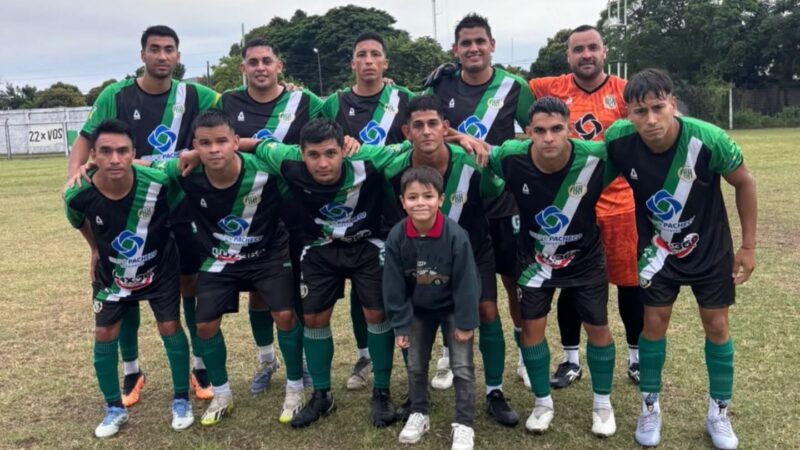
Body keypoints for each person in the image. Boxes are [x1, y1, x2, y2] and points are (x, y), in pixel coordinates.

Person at [67, 25, 221, 404]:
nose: (162, 56)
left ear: (178, 56)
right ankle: (132, 370)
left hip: (180, 206)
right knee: (124, 287)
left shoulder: (196, 95)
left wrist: (287, 88)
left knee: (188, 284)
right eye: (155, 49)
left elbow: (235, 108)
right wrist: (75, 176)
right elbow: (86, 138)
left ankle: (199, 365)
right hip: (128, 208)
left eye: (169, 49)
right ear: (142, 55)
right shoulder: (116, 95)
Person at [604, 68, 757, 449]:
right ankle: (650, 407)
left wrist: (749, 247)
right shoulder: (618, 140)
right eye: (640, 111)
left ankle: (719, 413)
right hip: (658, 252)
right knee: (654, 323)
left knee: (717, 325)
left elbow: (745, 182)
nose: (651, 119)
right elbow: (584, 168)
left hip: (710, 249)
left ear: (673, 104)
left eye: (658, 107)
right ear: (628, 114)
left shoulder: (708, 138)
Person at [232, 118, 402, 429]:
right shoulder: (287, 159)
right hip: (320, 248)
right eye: (313, 155)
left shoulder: (368, 158)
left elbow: (413, 146)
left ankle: (381, 392)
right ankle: (322, 395)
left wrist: (460, 139)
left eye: (330, 153)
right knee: (313, 319)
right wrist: (195, 154)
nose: (323, 163)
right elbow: (253, 144)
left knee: (377, 314)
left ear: (343, 150)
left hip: (367, 244)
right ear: (301, 153)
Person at [422, 13, 535, 426]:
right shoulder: (441, 84)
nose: (473, 49)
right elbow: (422, 124)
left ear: (492, 45)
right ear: (455, 49)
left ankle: (523, 353)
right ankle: (446, 356)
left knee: (511, 285)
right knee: (440, 283)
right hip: (455, 200)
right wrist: (460, 138)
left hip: (500, 202)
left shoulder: (514, 86)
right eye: (465, 43)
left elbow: (536, 131)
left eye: (479, 42)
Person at [160, 111, 305, 426]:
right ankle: (222, 394)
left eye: (222, 141)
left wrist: (256, 145)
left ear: (236, 142)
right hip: (219, 258)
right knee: (205, 326)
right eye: (205, 143)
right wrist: (90, 167)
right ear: (194, 146)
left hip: (267, 254)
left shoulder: (264, 168)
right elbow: (142, 169)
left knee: (284, 315)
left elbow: (301, 157)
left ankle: (295, 388)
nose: (214, 149)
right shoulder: (186, 171)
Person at [488, 97, 617, 436]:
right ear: (528, 132)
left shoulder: (597, 156)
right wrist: (461, 138)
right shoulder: (510, 157)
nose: (548, 138)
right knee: (532, 329)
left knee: (598, 328)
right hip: (535, 260)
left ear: (570, 129)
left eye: (556, 129)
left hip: (585, 257)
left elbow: (634, 149)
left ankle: (602, 405)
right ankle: (542, 403)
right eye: (540, 130)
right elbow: (482, 153)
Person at [529, 24, 642, 389]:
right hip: (573, 204)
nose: (586, 55)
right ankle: (571, 359)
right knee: (571, 283)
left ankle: (636, 357)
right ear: (568, 56)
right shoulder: (551, 87)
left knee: (629, 284)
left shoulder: (624, 91)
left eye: (593, 47)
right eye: (578, 49)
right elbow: (508, 87)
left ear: (605, 51)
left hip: (620, 203)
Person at [64, 119, 193, 437]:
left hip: (160, 268)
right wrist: (95, 248)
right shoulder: (77, 193)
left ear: (134, 153)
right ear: (93, 155)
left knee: (170, 326)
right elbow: (78, 220)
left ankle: (181, 400)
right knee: (104, 332)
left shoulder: (158, 180)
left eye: (123, 151)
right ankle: (114, 408)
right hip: (113, 273)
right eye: (106, 151)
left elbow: (184, 173)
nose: (115, 159)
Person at [382, 95, 502, 421]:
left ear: (445, 127)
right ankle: (416, 397)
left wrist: (471, 144)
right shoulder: (395, 167)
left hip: (471, 250)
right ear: (406, 131)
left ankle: (495, 391)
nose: (426, 131)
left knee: (486, 310)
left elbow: (494, 190)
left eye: (433, 123)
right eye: (418, 125)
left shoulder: (471, 160)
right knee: (415, 315)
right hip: (420, 256)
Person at [220, 38, 324, 394]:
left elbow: (335, 122)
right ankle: (266, 360)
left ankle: (302, 361)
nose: (261, 67)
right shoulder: (227, 102)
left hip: (297, 207)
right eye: (253, 62)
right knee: (259, 292)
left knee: (297, 286)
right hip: (249, 211)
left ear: (279, 65)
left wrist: (386, 82)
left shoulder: (306, 102)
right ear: (243, 68)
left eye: (267, 61)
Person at [320, 32, 416, 389]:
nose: (369, 60)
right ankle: (365, 357)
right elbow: (316, 137)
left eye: (376, 54)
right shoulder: (333, 103)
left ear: (386, 63)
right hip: (354, 209)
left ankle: (415, 364)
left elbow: (428, 129)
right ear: (353, 63)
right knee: (362, 289)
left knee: (404, 288)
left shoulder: (404, 98)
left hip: (397, 205)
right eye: (362, 54)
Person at [384, 166, 480, 450]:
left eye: (428, 196)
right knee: (415, 366)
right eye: (413, 197)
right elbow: (393, 285)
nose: (420, 203)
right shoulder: (397, 236)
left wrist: (465, 322)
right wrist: (401, 324)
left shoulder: (456, 235)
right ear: (403, 202)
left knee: (462, 367)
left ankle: (464, 424)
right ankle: (419, 413)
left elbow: (467, 282)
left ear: (441, 199)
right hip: (418, 310)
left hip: (452, 309)